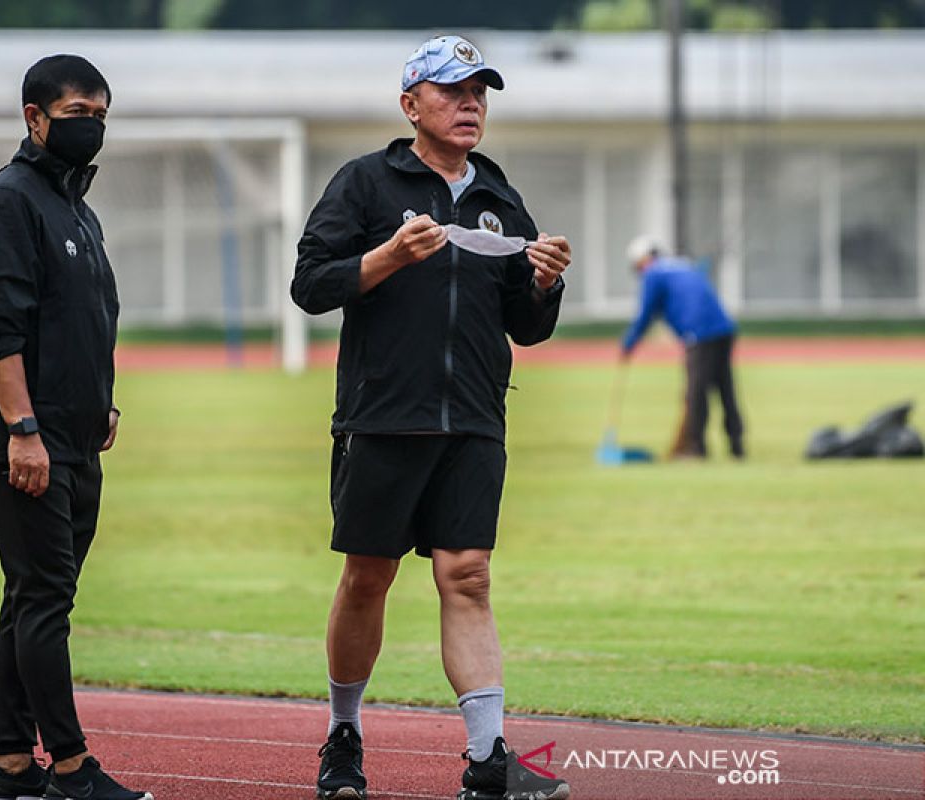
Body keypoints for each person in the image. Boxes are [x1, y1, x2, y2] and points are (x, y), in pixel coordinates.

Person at [292, 35, 573, 800]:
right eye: (454, 91)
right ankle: (343, 737)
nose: (471, 103)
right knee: (367, 578)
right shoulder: (364, 183)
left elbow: (527, 326)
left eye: (481, 91)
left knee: (470, 576)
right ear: (411, 103)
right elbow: (311, 285)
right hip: (384, 415)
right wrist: (387, 256)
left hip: (476, 420)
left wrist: (544, 284)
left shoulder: (500, 198)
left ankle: (488, 761)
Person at [0, 54, 152, 800]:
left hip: (74, 435)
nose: (90, 128)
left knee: (30, 594)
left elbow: (82, 319)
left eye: (100, 115)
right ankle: (69, 768)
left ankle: (10, 766)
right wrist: (22, 427)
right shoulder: (7, 202)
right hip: (24, 439)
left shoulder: (76, 208)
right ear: (34, 118)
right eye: (76, 115)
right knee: (45, 597)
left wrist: (100, 401)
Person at [621, 235, 745, 459]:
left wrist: (629, 343)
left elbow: (646, 313)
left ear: (642, 260)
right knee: (725, 387)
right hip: (723, 328)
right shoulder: (680, 265)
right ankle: (737, 445)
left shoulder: (653, 274)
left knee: (696, 392)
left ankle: (695, 448)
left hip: (699, 333)